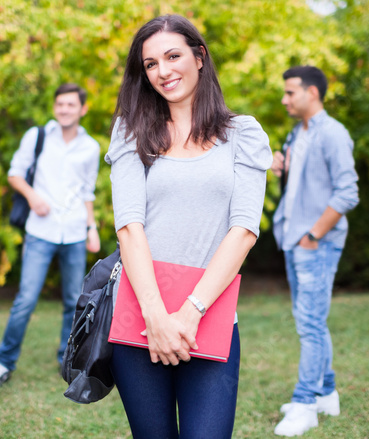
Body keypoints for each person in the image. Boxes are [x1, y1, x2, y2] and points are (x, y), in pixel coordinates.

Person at [105, 15, 272, 438]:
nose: (163, 71)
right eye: (150, 64)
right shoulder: (131, 132)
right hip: (141, 317)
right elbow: (128, 226)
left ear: (199, 57)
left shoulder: (244, 134)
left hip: (211, 316)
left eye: (173, 56)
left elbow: (244, 230)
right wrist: (157, 316)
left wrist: (190, 312)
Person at [0, 83, 101, 390]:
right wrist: (33, 196)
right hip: (40, 231)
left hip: (74, 231)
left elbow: (88, 191)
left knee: (74, 301)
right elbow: (14, 173)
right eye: (60, 104)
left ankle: (68, 358)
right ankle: (3, 363)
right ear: (55, 107)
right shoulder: (36, 137)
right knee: (25, 299)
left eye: (71, 105)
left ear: (82, 109)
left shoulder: (90, 147)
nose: (64, 109)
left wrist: (92, 227)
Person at [272, 66, 359, 437]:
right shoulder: (298, 133)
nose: (285, 99)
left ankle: (305, 402)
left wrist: (313, 235)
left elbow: (347, 191)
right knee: (310, 320)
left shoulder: (333, 133)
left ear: (312, 93)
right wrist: (282, 166)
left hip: (314, 243)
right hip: (294, 238)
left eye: (291, 93)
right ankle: (326, 393)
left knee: (309, 323)